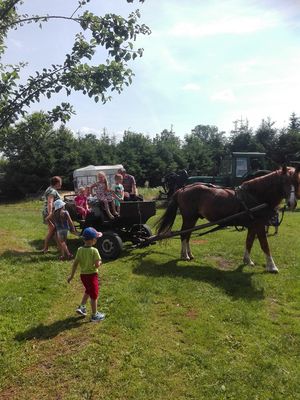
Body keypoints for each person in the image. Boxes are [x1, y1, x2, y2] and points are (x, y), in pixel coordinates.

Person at [67, 227, 105, 323]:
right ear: (93, 240)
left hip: (83, 276)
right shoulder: (94, 250)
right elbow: (97, 264)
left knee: (88, 290)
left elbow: (75, 263)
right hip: (92, 275)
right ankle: (94, 315)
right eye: (96, 238)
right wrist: (99, 262)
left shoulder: (80, 250)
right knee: (94, 295)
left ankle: (82, 307)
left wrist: (71, 276)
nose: (96, 240)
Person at [41, 176, 62, 253]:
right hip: (50, 213)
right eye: (60, 182)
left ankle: (58, 247)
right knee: (53, 230)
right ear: (57, 183)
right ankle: (46, 248)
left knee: (54, 230)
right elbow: (50, 202)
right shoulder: (52, 191)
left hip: (49, 212)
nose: (61, 184)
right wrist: (50, 214)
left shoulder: (50, 188)